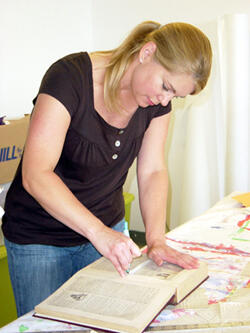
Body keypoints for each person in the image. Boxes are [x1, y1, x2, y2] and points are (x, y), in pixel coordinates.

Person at [2, 20, 212, 317]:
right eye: (166, 87)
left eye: (174, 96)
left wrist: (155, 239)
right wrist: (98, 232)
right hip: (40, 238)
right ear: (147, 52)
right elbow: (37, 174)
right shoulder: (69, 78)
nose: (165, 100)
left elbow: (152, 170)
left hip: (105, 231)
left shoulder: (156, 103)